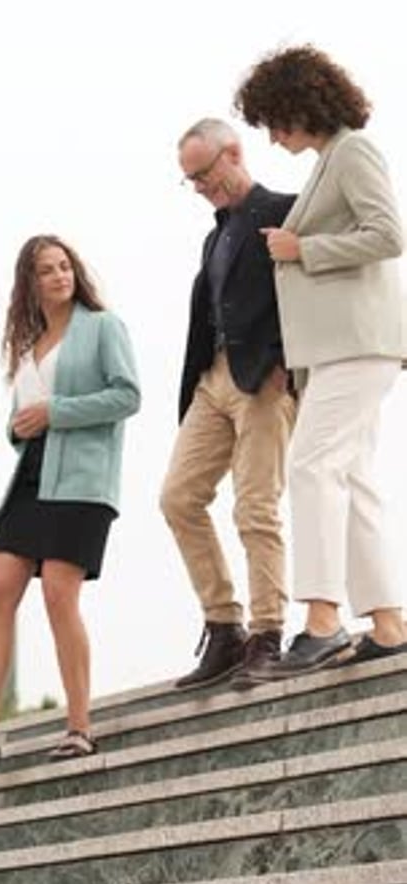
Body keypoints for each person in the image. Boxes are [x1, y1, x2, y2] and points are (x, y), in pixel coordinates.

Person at [0, 234, 140, 775]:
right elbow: (22, 415)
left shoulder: (103, 327)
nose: (59, 277)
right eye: (47, 270)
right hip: (31, 476)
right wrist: (19, 424)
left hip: (82, 481)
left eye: (65, 266)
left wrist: (57, 411)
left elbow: (128, 395)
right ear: (30, 283)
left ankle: (79, 728)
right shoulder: (27, 345)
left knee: (57, 594)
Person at [234, 44, 407, 675]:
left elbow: (389, 234)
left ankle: (324, 618)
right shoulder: (331, 160)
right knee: (353, 481)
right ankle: (388, 623)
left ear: (299, 107)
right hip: (342, 350)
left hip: (359, 343)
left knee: (310, 466)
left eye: (275, 122)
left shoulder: (354, 151)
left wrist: (301, 248)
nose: (274, 138)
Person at [160, 118, 297, 690]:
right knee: (178, 498)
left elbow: (317, 284)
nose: (199, 187)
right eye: (190, 180)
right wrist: (197, 383)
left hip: (263, 378)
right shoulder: (214, 236)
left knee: (255, 506)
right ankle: (224, 627)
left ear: (233, 153)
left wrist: (288, 361)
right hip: (211, 382)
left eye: (203, 173)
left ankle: (268, 633)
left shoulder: (286, 209)